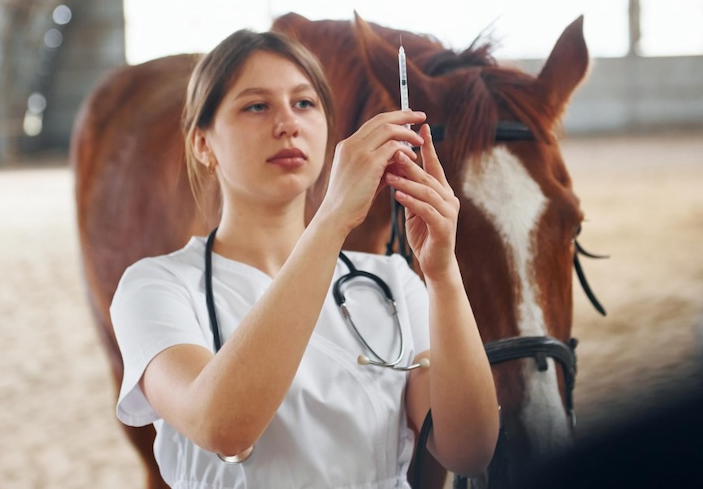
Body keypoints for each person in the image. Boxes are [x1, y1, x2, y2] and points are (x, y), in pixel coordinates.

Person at [110, 30, 499, 488]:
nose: (287, 124)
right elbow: (222, 426)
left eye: (304, 104)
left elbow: (469, 449)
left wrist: (443, 275)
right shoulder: (156, 287)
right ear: (202, 144)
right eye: (256, 106)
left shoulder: (393, 283)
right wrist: (332, 221)